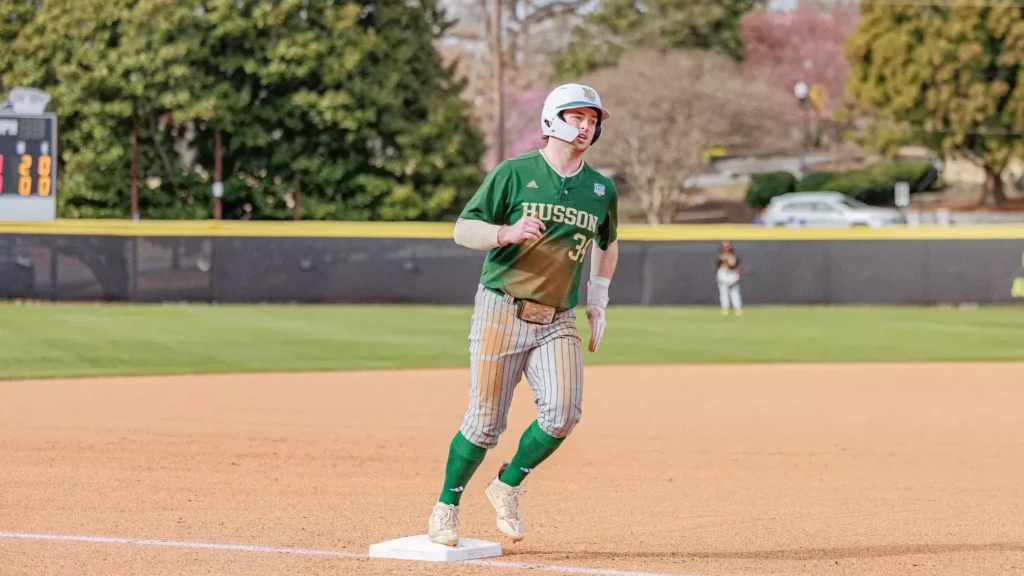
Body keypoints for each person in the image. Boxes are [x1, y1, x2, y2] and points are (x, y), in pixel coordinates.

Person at [427, 83, 620, 546]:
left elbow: (607, 243)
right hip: (501, 308)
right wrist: (505, 232)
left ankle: (507, 484)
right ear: (552, 119)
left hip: (557, 316)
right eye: (578, 117)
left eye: (593, 121)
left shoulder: (600, 188)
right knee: (485, 422)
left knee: (562, 414)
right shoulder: (514, 173)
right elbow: (462, 229)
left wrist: (598, 299)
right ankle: (446, 507)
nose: (587, 126)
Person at [715, 241, 743, 316]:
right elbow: (717, 268)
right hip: (723, 277)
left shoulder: (735, 258)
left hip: (732, 277)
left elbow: (736, 267)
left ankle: (737, 309)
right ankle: (725, 309)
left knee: (734, 293)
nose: (726, 252)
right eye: (724, 250)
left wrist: (729, 262)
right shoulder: (719, 259)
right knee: (724, 294)